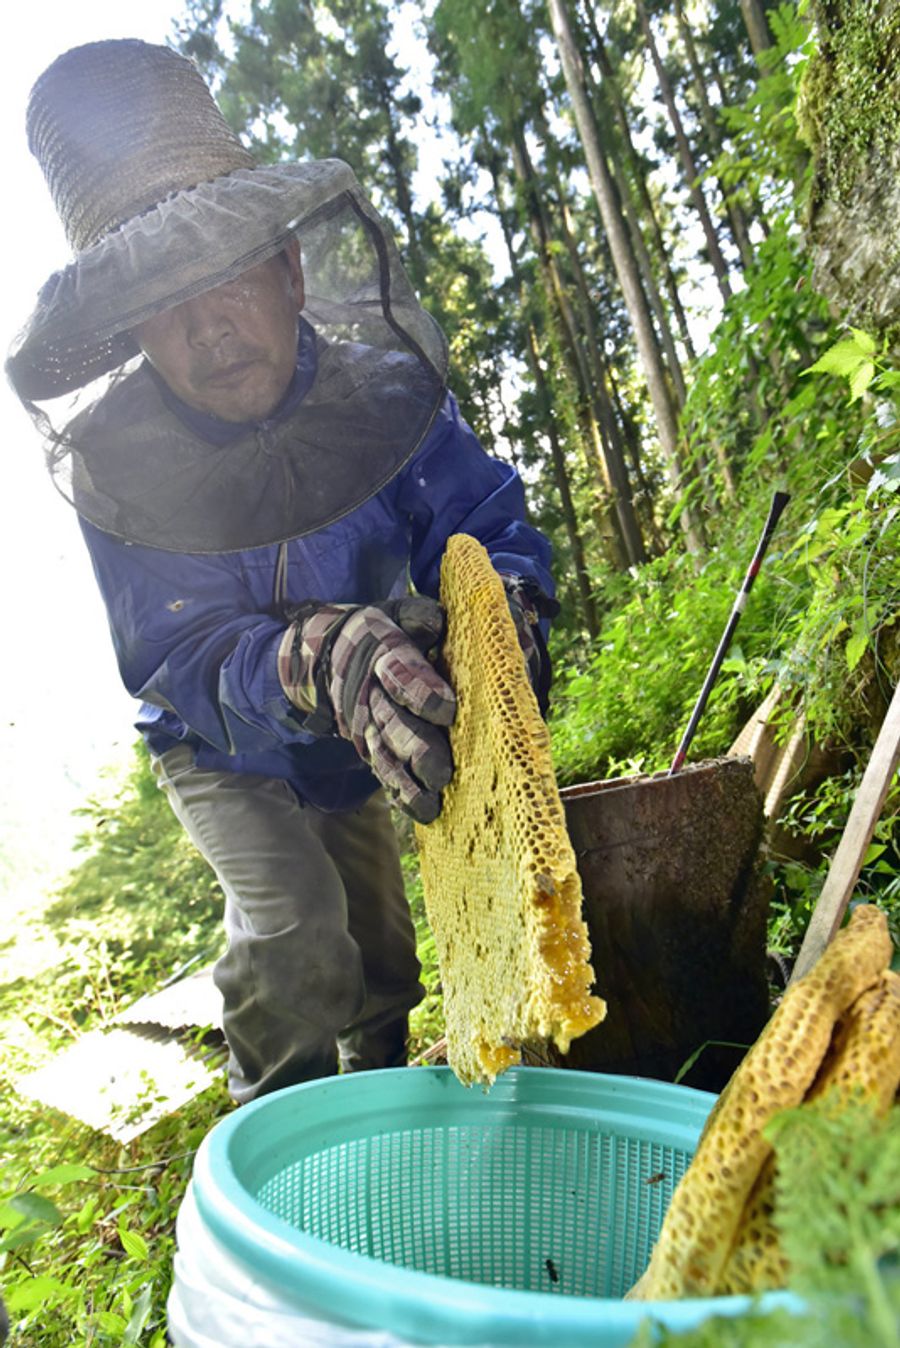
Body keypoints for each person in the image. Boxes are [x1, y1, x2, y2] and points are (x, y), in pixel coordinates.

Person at [8, 39, 557, 1104]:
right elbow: (178, 652)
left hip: (360, 727)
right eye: (163, 306)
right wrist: (313, 657)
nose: (207, 330)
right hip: (216, 745)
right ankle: (275, 1131)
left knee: (383, 952)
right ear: (130, 333)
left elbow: (478, 520)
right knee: (299, 932)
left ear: (290, 270)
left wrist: (505, 610)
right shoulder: (120, 467)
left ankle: (377, 1122)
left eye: (225, 282)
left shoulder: (385, 390)